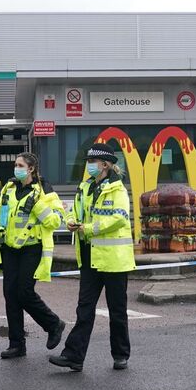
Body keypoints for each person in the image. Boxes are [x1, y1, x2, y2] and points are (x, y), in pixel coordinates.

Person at [49, 141, 134, 372]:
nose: (88, 166)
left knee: (117, 311)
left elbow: (118, 218)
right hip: (88, 256)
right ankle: (74, 356)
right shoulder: (84, 187)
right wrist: (70, 221)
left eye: (92, 162)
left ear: (105, 164)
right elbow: (74, 210)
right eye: (88, 161)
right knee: (84, 309)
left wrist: (87, 228)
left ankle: (120, 355)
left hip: (114, 259)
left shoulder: (118, 190)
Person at [0, 152, 67, 359]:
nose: (16, 168)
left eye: (20, 165)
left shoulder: (44, 190)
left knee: (25, 293)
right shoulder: (9, 188)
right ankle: (16, 344)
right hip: (10, 248)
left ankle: (53, 324)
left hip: (31, 247)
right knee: (11, 295)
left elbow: (56, 221)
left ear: (31, 169)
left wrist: (38, 205)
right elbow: (3, 218)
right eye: (15, 165)